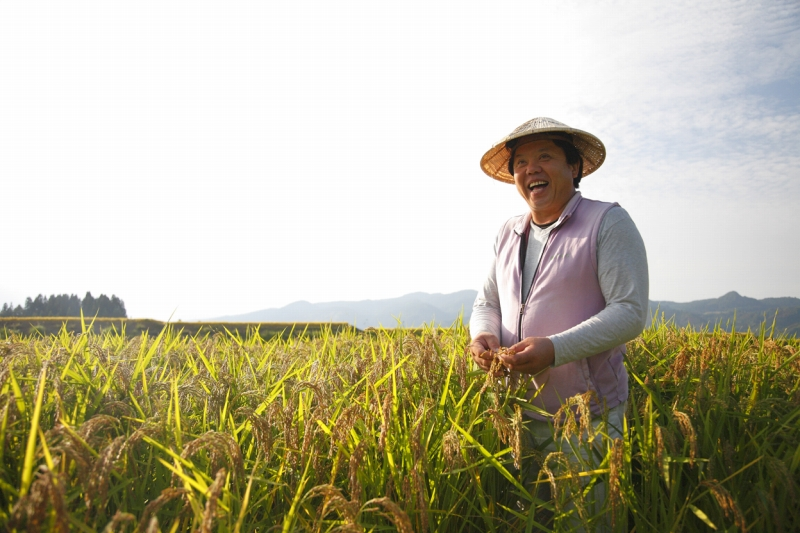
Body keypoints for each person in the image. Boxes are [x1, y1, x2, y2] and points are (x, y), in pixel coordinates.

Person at [469, 117, 649, 530]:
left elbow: (629, 311)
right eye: (521, 162)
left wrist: (555, 349)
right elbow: (488, 301)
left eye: (545, 156)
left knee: (587, 522)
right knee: (533, 520)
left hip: (589, 416)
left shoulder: (607, 223)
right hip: (521, 413)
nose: (530, 168)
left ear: (573, 167)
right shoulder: (508, 233)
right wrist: (483, 335)